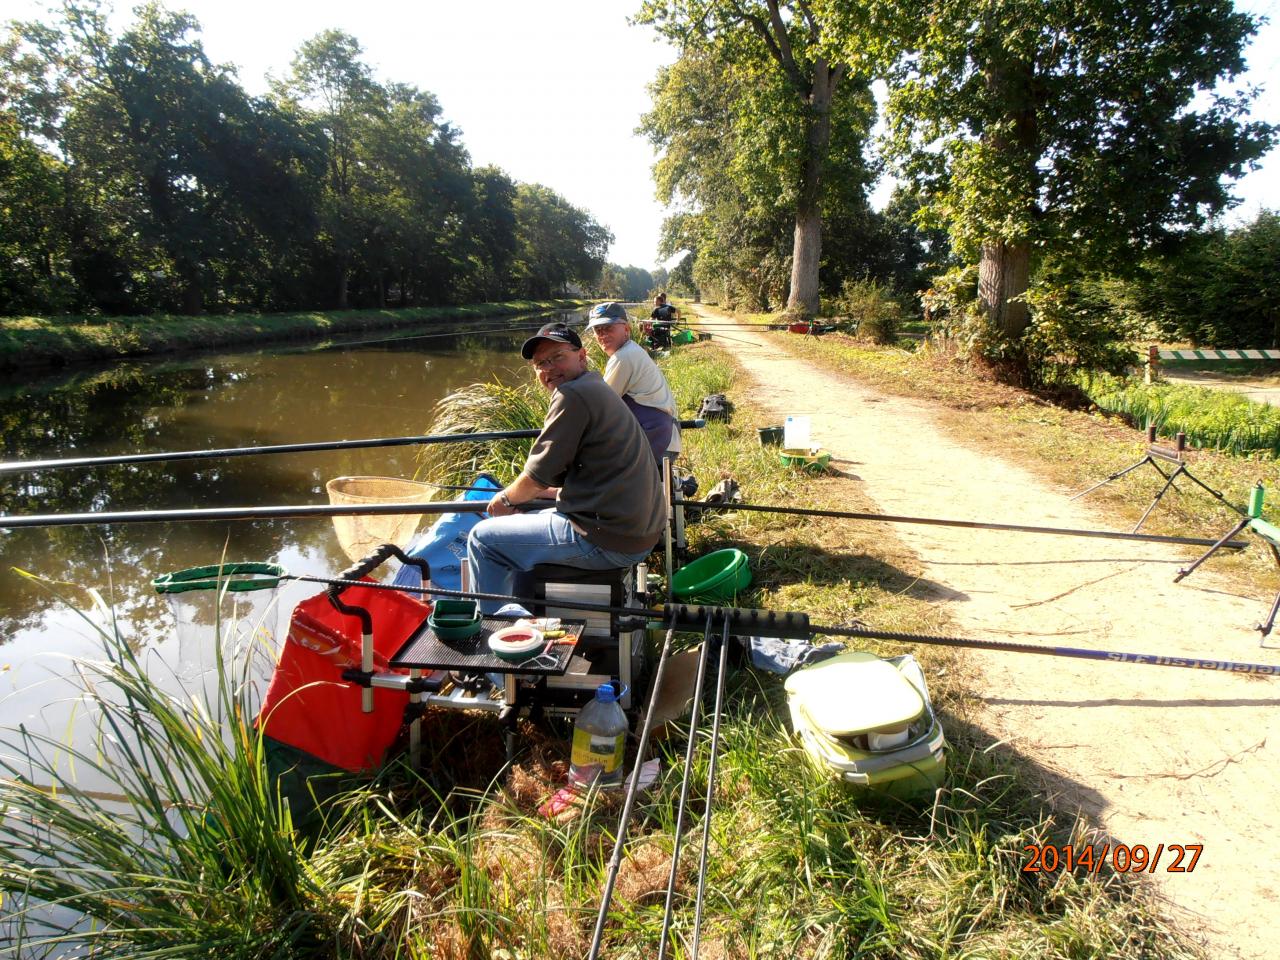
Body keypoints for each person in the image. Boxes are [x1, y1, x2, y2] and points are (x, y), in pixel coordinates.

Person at [466, 322, 666, 612]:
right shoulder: (596, 385)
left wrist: (505, 499)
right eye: (540, 363)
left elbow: (534, 478)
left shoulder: (571, 395)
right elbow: (578, 473)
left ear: (581, 356)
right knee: (526, 513)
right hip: (639, 532)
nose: (549, 369)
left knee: (483, 540)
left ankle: (492, 633)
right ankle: (519, 611)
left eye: (558, 357)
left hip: (608, 539)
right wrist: (543, 495)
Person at [586, 301, 682, 466]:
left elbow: (599, 408)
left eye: (608, 328)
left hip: (657, 443)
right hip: (664, 438)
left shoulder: (623, 357)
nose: (602, 335)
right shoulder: (630, 350)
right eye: (597, 330)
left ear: (626, 329)